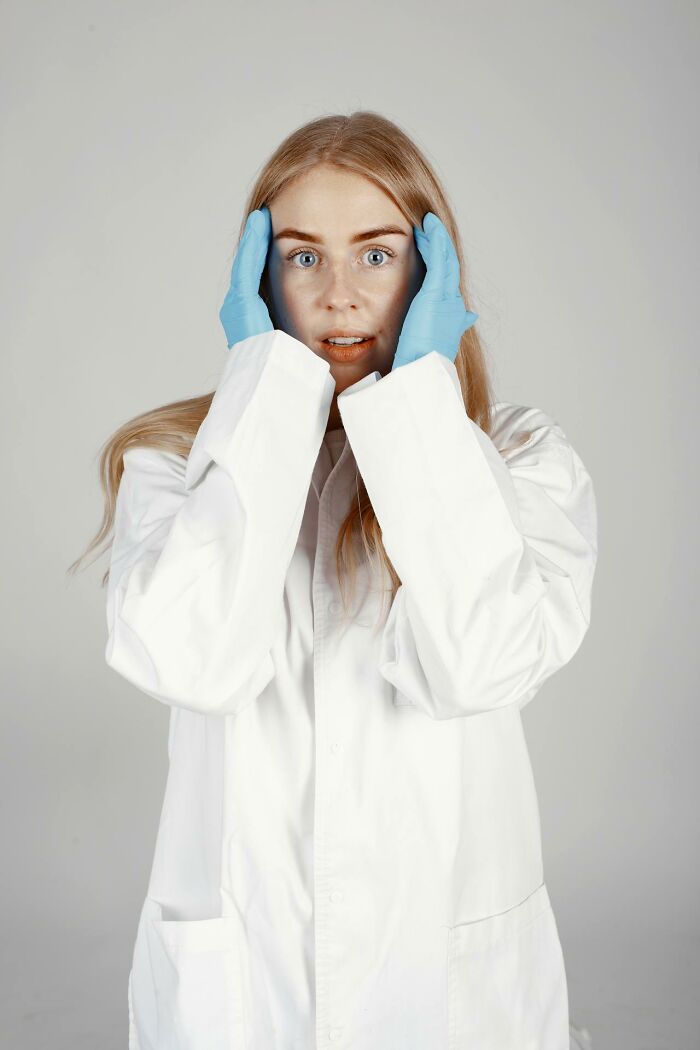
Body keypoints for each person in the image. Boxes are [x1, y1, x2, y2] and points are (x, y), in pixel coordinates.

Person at [70, 111, 598, 1050]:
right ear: (257, 280)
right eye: (303, 258)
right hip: (246, 992)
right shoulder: (178, 468)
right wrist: (266, 385)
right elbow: (192, 660)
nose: (340, 296)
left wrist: (417, 410)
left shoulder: (516, 460)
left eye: (379, 254)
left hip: (450, 995)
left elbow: (485, 662)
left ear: (433, 272)